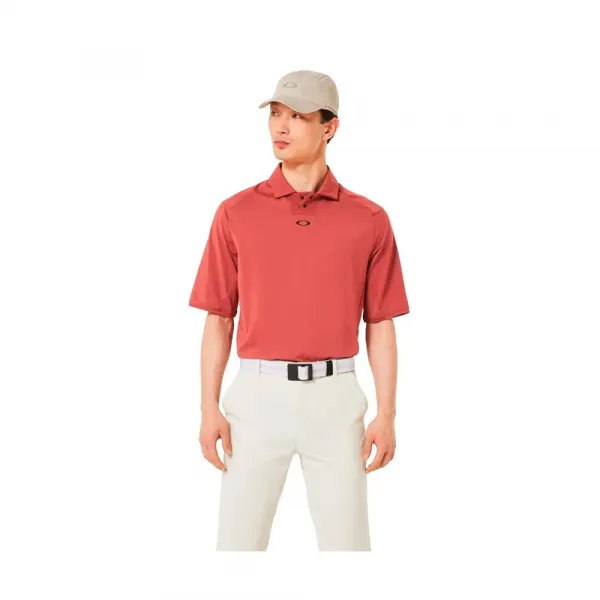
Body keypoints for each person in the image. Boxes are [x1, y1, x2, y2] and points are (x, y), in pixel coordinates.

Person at [189, 70, 410, 551]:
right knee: (237, 547)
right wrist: (208, 407)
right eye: (275, 114)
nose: (281, 126)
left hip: (336, 399)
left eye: (298, 116)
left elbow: (381, 323)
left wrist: (387, 414)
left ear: (330, 127)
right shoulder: (235, 212)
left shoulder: (369, 219)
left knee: (348, 548)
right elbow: (219, 317)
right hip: (256, 397)